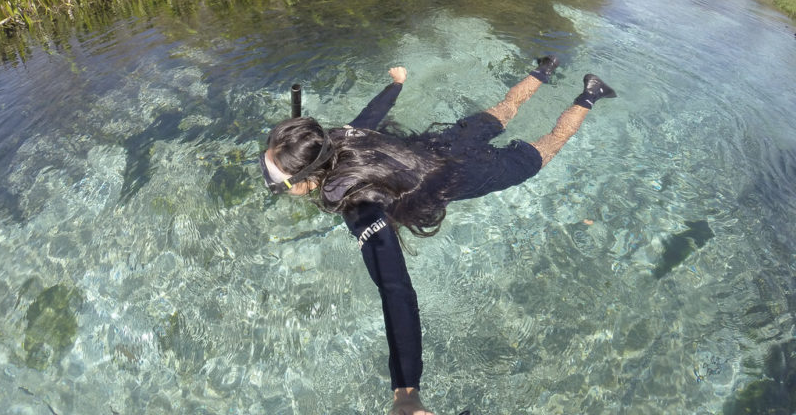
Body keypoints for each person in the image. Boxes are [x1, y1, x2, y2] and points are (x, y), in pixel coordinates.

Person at [260, 57, 616, 415]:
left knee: (551, 144)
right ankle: (544, 70)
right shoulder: (336, 138)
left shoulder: (358, 204)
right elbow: (368, 118)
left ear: (305, 179)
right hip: (444, 145)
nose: (271, 182)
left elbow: (395, 290)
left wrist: (406, 390)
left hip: (467, 175)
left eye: (275, 180)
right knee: (504, 110)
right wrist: (396, 85)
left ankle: (590, 95)